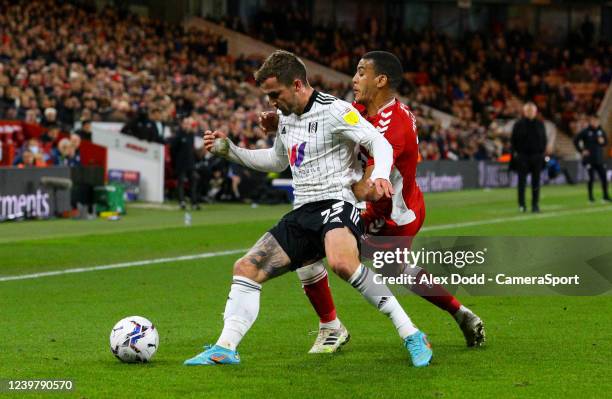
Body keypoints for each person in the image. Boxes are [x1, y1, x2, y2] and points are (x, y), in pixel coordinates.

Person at [184, 50, 433, 367]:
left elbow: (379, 143)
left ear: (297, 84)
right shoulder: (286, 118)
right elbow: (277, 160)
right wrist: (231, 151)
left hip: (337, 203)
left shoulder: (336, 111)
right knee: (245, 268)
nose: (272, 102)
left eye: (275, 94)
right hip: (303, 211)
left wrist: (381, 175)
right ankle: (225, 348)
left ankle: (411, 333)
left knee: (342, 262)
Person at [262, 51, 485, 352]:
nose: (354, 79)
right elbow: (324, 122)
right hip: (383, 206)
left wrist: (327, 186)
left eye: (361, 72)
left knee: (375, 264)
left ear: (381, 80)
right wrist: (284, 121)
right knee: (313, 249)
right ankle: (333, 327)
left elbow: (368, 187)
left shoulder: (392, 127)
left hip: (390, 212)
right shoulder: (361, 108)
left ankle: (441, 319)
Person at [511, 103, 547, 213]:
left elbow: (544, 139)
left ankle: (535, 205)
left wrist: (541, 153)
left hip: (536, 156)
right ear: (524, 112)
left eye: (532, 110)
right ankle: (522, 205)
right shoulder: (518, 124)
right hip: (523, 156)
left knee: (536, 182)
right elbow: (513, 140)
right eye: (528, 110)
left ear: (535, 112)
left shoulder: (540, 124)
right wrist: (516, 154)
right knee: (522, 182)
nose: (530, 112)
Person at [573, 116, 610, 203]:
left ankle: (605, 196)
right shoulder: (585, 131)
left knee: (604, 178)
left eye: (596, 121)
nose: (595, 122)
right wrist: (581, 150)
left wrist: (603, 142)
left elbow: (606, 142)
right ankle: (590, 197)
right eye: (593, 121)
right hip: (589, 160)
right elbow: (575, 140)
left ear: (599, 122)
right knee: (591, 178)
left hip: (600, 159)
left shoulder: (601, 131)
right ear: (590, 121)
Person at [171, 117, 200, 210]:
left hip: (190, 163)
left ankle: (194, 203)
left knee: (193, 182)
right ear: (182, 125)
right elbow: (173, 149)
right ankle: (182, 202)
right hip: (181, 163)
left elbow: (191, 149)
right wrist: (177, 160)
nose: (188, 126)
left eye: (189, 124)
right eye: (186, 123)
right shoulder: (178, 135)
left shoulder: (191, 135)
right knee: (181, 183)